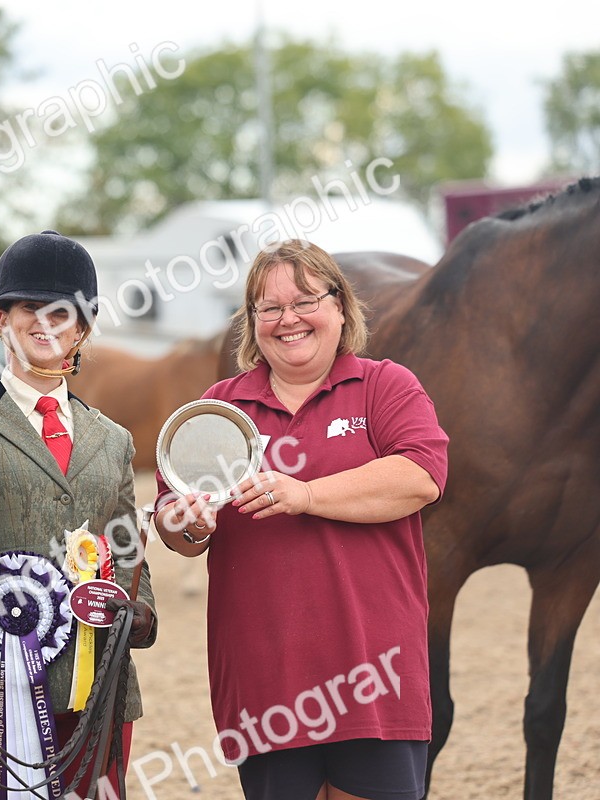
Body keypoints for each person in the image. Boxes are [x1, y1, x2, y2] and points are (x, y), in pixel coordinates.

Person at [154, 239, 448, 800]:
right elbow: (176, 526)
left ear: (340, 307)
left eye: (306, 300)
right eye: (269, 308)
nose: (287, 319)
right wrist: (189, 523)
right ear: (253, 323)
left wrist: (305, 494)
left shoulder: (385, 386)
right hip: (267, 688)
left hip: (375, 677)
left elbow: (420, 477)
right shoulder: (220, 407)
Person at [0, 230, 158, 798]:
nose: (44, 322)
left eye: (62, 312)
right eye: (27, 308)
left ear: (83, 328)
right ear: (0, 319)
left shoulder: (113, 439)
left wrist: (141, 610)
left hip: (98, 681)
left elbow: (125, 546)